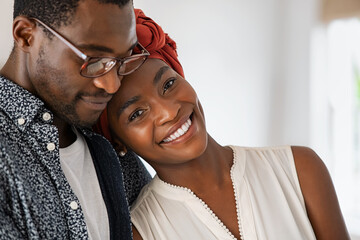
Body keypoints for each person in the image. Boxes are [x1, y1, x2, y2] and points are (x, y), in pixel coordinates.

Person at [98, 9, 350, 240]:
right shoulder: (140, 232)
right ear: (117, 141)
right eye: (137, 113)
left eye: (168, 84)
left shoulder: (300, 170)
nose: (169, 112)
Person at [0, 1, 152, 239]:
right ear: (26, 35)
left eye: (123, 59)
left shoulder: (110, 144)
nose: (112, 85)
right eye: (93, 61)